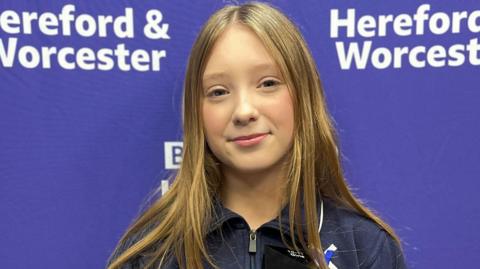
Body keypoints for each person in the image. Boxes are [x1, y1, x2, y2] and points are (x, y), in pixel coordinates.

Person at [107, 2, 407, 269]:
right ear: (197, 114)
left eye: (267, 83)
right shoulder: (149, 255)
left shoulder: (365, 249)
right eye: (219, 91)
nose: (244, 110)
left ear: (304, 96)